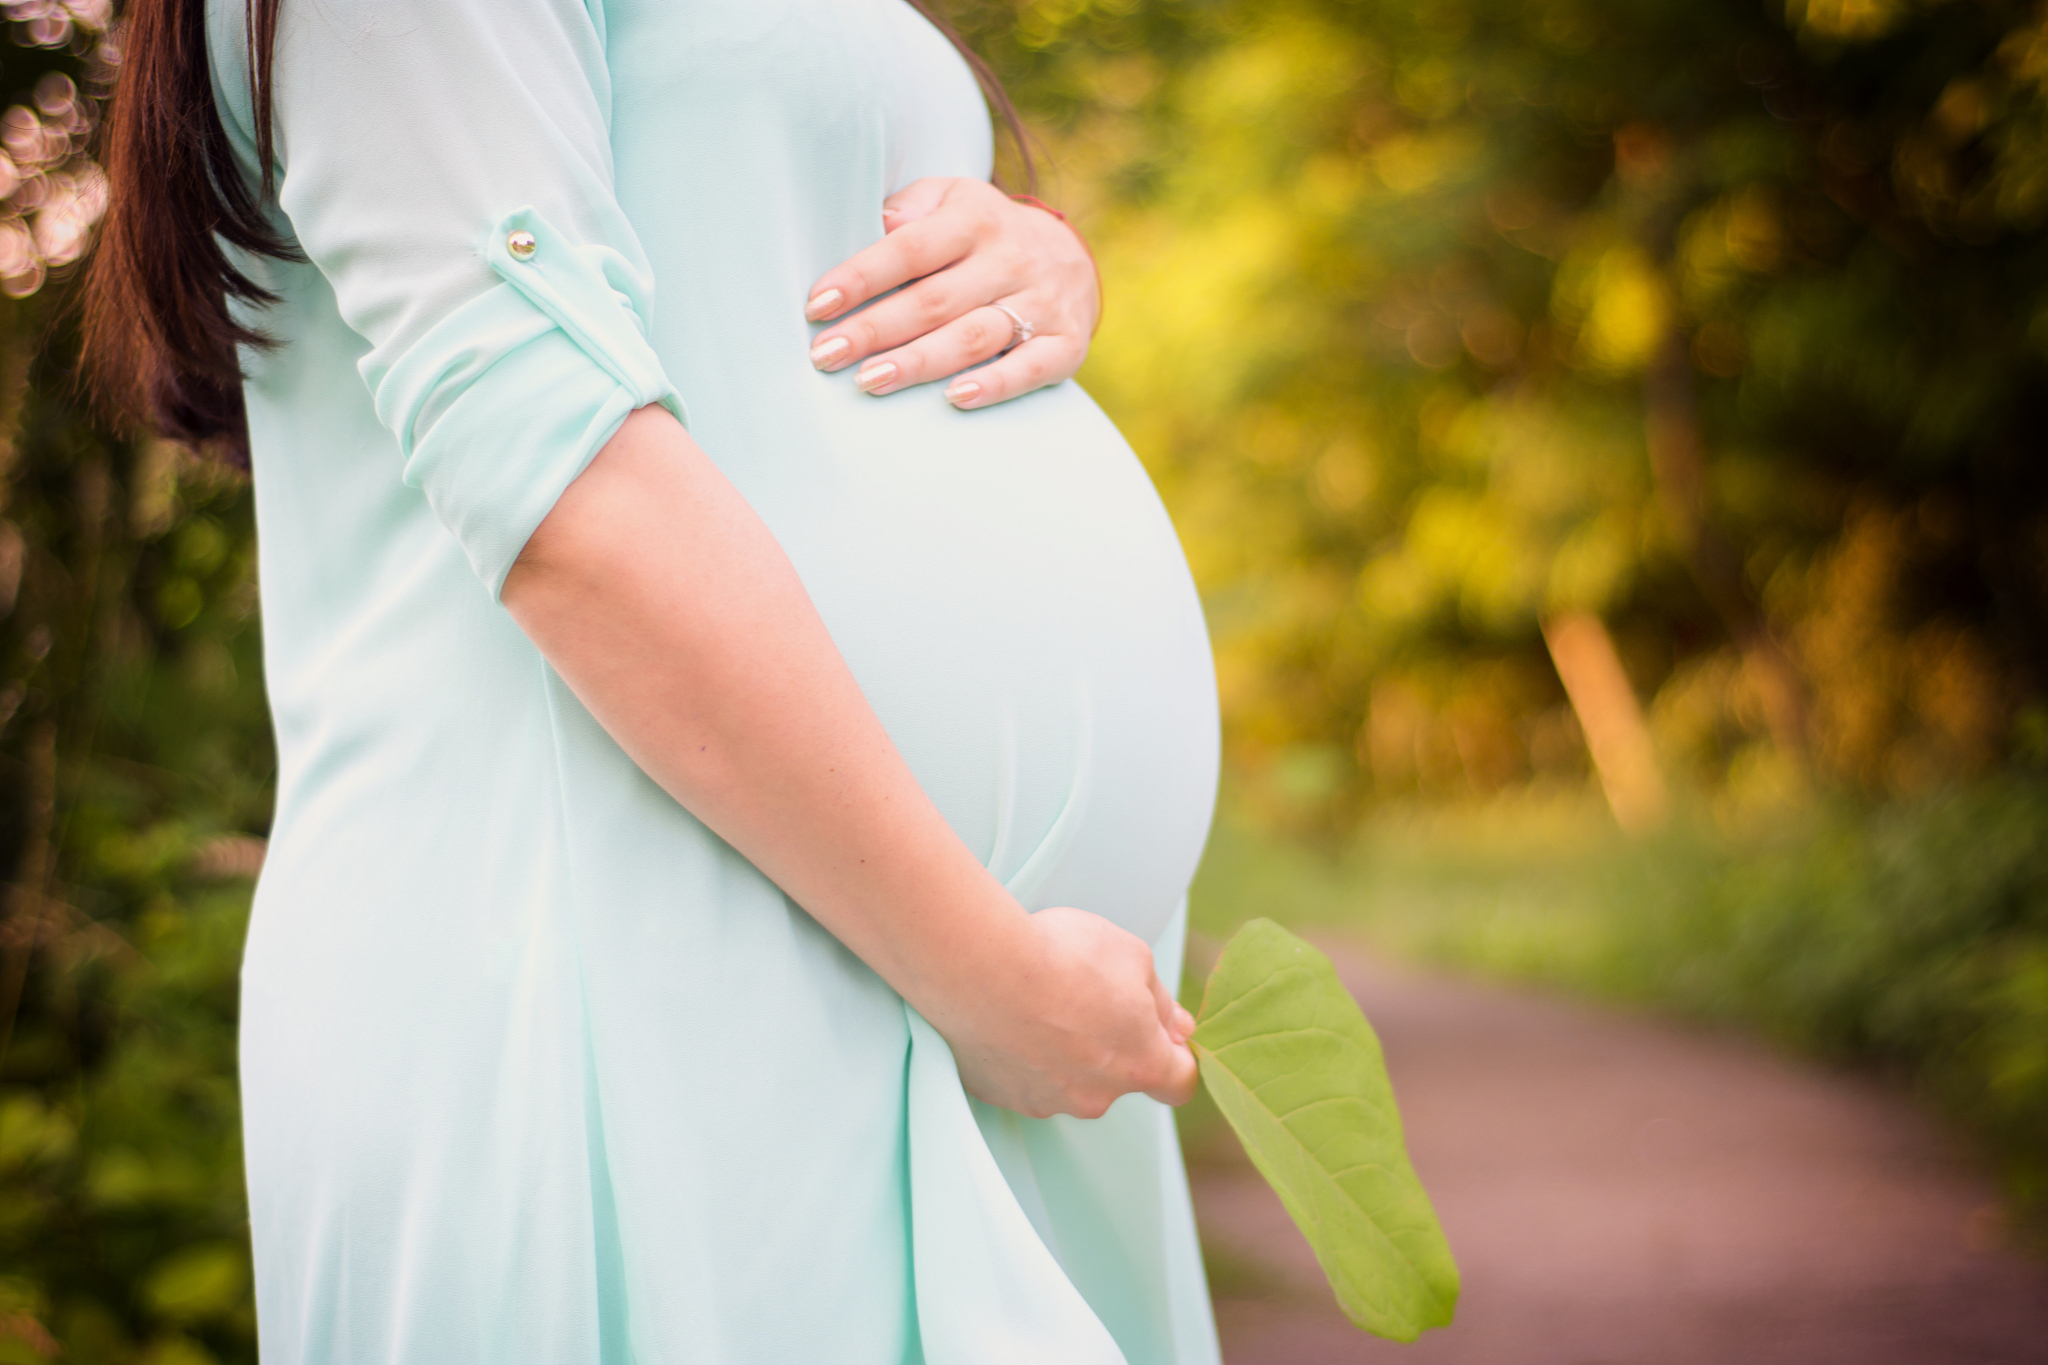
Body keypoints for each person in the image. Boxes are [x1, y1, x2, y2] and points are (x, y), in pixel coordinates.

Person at [83, 1, 1223, 1361]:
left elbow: (757, 225)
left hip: (941, 987)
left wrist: (1033, 257)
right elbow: (562, 484)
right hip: (645, 986)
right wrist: (995, 982)